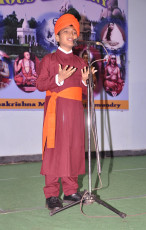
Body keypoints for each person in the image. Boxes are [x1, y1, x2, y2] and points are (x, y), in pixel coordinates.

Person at [36, 9, 97, 211]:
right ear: (57, 35)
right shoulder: (49, 60)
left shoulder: (81, 63)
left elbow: (86, 92)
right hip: (55, 110)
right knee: (54, 151)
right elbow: (40, 84)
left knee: (73, 148)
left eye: (74, 31)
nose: (71, 35)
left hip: (74, 113)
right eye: (66, 31)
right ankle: (52, 194)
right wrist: (58, 79)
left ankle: (71, 190)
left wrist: (86, 81)